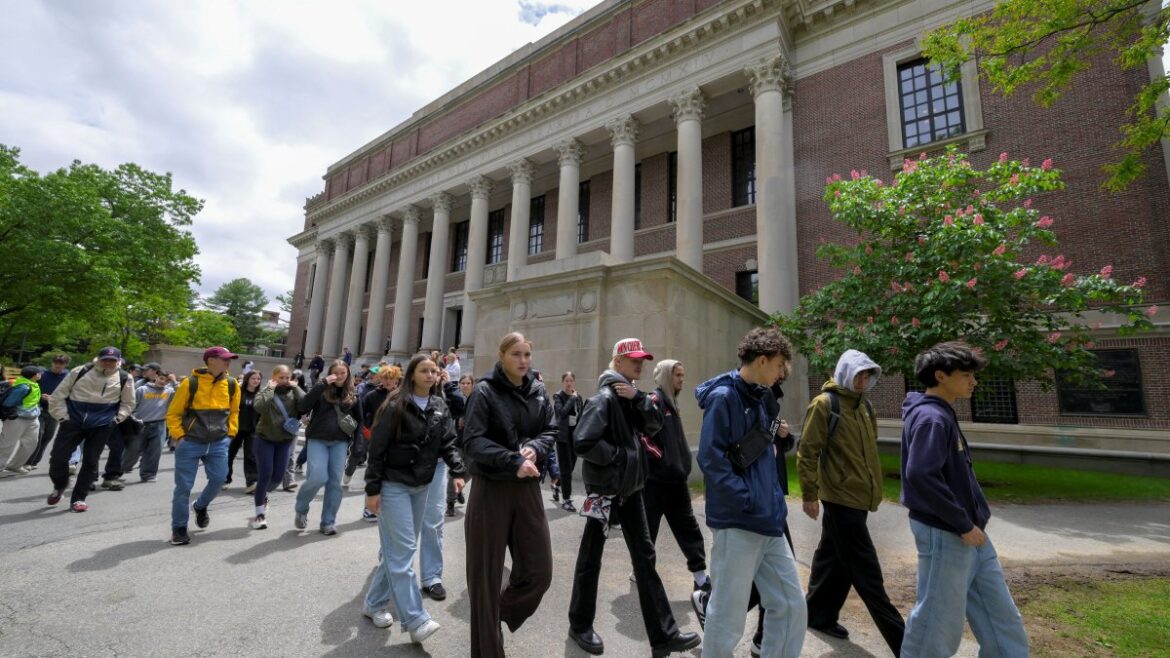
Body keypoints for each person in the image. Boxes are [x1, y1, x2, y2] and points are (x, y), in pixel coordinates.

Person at [568, 338, 700, 657]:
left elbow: (654, 424)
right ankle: (580, 625)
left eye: (642, 359)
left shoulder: (630, 395)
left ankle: (664, 634)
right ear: (618, 361)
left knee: (645, 558)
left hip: (632, 491)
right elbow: (583, 441)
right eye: (633, 359)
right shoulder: (603, 397)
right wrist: (621, 457)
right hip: (604, 492)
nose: (639, 364)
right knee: (591, 558)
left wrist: (639, 397)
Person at [900, 342, 1029, 657]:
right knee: (936, 625)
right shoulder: (932, 418)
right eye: (967, 374)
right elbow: (921, 475)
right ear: (941, 376)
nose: (974, 381)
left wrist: (971, 524)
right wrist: (962, 524)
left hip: (972, 534)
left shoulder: (941, 414)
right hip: (948, 532)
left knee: (1002, 620)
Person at [696, 327, 805, 658]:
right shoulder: (724, 397)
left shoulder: (761, 397)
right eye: (778, 366)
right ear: (762, 360)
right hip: (739, 521)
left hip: (769, 521)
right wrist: (746, 499)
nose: (781, 374)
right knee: (727, 617)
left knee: (791, 605)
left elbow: (765, 446)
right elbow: (710, 459)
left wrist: (782, 438)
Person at [797, 349, 904, 654]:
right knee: (868, 574)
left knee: (834, 559)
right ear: (845, 372)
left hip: (860, 497)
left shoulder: (865, 407)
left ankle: (818, 614)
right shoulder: (825, 404)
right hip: (840, 499)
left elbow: (869, 451)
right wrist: (809, 494)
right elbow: (808, 451)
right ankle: (905, 644)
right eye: (858, 374)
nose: (863, 380)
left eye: (867, 374)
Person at [461, 332, 555, 658]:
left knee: (539, 573)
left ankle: (494, 615)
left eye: (527, 354)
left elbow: (551, 431)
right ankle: (488, 645)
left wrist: (535, 448)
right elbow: (472, 442)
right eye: (516, 354)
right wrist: (512, 460)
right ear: (502, 355)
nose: (523, 360)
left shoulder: (539, 391)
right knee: (484, 579)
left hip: (527, 488)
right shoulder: (484, 392)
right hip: (491, 489)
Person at [362, 355, 467, 644]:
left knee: (397, 551)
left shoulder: (439, 405)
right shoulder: (394, 405)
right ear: (412, 374)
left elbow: (447, 442)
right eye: (424, 370)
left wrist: (458, 471)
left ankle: (373, 604)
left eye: (434, 371)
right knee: (405, 549)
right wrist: (372, 490)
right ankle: (416, 619)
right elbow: (378, 449)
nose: (431, 375)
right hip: (393, 485)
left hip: (422, 484)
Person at [644, 359, 709, 596]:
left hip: (676, 482)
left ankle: (700, 577)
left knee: (688, 527)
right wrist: (662, 460)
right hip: (655, 482)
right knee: (647, 529)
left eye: (683, 375)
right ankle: (641, 569)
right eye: (678, 375)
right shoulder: (654, 401)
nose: (682, 379)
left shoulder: (672, 403)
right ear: (665, 376)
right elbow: (643, 438)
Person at [46, 347, 136, 513]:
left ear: (118, 361)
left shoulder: (125, 377)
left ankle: (79, 498)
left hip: (102, 424)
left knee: (90, 461)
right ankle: (59, 486)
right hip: (72, 420)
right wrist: (62, 417)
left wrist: (116, 419)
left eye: (112, 360)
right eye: (105, 359)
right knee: (58, 458)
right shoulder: (80, 371)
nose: (108, 363)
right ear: (99, 358)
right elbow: (58, 395)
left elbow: (128, 403)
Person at [166, 346, 241, 545]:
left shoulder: (232, 384)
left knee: (219, 480)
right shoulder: (189, 383)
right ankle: (179, 528)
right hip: (190, 443)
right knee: (183, 487)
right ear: (211, 360)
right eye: (224, 358)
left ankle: (200, 506)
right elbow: (173, 414)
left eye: (229, 359)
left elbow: (234, 412)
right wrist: (179, 436)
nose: (228, 362)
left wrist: (231, 434)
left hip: (218, 443)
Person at [295, 359, 361, 535]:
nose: (339, 376)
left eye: (343, 373)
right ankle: (301, 508)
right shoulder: (322, 389)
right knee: (317, 476)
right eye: (336, 373)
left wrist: (358, 446)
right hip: (318, 439)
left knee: (334, 483)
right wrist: (321, 384)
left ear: (347, 374)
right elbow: (303, 406)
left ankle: (328, 522)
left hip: (340, 442)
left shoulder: (353, 394)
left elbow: (359, 422)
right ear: (330, 373)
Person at [250, 365, 306, 529]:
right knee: (265, 475)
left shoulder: (293, 393)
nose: (284, 380)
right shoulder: (266, 391)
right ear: (274, 377)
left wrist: (297, 388)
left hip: (284, 440)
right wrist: (269, 389)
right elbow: (259, 407)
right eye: (281, 377)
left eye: (287, 377)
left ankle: (262, 494)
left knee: (277, 478)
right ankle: (260, 514)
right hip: (264, 439)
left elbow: (305, 404)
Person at [120, 370, 174, 482]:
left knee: (155, 451)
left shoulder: (170, 392)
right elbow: (131, 405)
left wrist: (174, 381)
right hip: (140, 423)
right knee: (133, 449)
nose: (163, 382)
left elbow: (182, 393)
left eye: (167, 380)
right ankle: (121, 468)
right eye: (161, 379)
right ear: (156, 377)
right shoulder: (142, 390)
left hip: (159, 424)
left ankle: (148, 474)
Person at [25, 354, 70, 470]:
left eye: (61, 363)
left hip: (55, 410)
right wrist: (40, 396)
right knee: (38, 434)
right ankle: (27, 462)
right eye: (56, 362)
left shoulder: (68, 376)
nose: (58, 365)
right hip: (39, 408)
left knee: (47, 436)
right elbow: (30, 387)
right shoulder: (42, 373)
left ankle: (34, 462)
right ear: (52, 362)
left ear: (65, 365)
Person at [1, 365, 43, 473]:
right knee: (7, 444)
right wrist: (13, 414)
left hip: (32, 418)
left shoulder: (33, 384)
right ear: (34, 375)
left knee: (31, 443)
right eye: (39, 373)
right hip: (17, 419)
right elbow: (8, 403)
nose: (41, 374)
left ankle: (14, 466)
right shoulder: (23, 386)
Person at [552, 371, 583, 513]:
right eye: (566, 381)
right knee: (566, 469)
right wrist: (572, 399)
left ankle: (556, 484)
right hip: (563, 437)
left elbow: (581, 415)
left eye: (571, 381)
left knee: (569, 468)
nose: (569, 383)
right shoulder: (558, 396)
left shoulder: (578, 397)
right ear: (563, 382)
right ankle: (566, 500)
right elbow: (561, 413)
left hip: (574, 436)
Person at [228, 371, 261, 492]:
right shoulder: (239, 391)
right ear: (248, 379)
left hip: (252, 429)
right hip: (236, 428)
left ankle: (252, 482)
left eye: (258, 379)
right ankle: (226, 478)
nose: (256, 381)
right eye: (253, 378)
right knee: (229, 454)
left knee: (251, 455)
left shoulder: (260, 394)